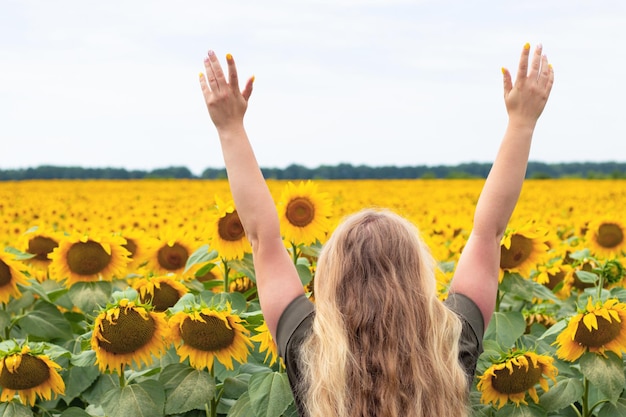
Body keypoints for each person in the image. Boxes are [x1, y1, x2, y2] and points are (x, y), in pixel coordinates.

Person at [199, 43, 554, 417]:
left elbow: (262, 239)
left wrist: (229, 128)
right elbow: (489, 234)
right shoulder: (452, 343)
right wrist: (522, 123)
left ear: (329, 280)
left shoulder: (309, 350)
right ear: (418, 275)